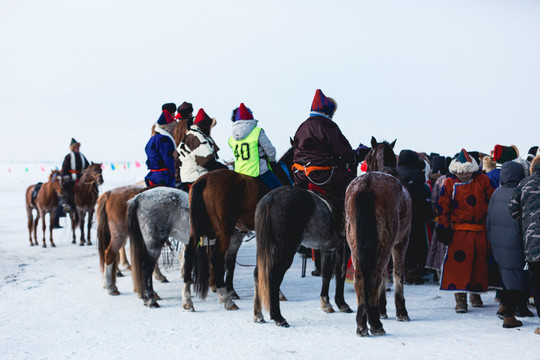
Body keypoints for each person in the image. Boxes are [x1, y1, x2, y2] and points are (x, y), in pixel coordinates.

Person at [292, 89, 355, 279]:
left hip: (300, 175)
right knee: (347, 190)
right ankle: (343, 227)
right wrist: (351, 160)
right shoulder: (328, 126)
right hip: (322, 175)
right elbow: (345, 151)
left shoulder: (301, 126)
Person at [437, 148, 496, 313]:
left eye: (466, 171)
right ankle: (460, 299)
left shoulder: (483, 180)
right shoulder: (449, 183)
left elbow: (492, 202)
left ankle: (475, 294)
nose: (463, 174)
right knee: (458, 266)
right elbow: (443, 207)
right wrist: (443, 227)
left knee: (479, 264)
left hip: (480, 230)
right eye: (460, 171)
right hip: (458, 232)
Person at [487, 161, 531, 328]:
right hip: (516, 242)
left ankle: (505, 307)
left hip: (498, 243)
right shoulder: (520, 193)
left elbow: (489, 219)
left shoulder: (497, 192)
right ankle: (508, 314)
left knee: (509, 277)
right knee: (519, 280)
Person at [510, 155, 540, 335]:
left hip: (533, 244)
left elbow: (513, 210)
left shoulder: (524, 184)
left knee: (538, 283)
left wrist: (527, 218)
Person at [398, 150, 433, 284]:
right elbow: (423, 198)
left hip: (398, 218)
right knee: (416, 244)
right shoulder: (418, 176)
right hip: (416, 217)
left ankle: (401, 270)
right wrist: (427, 215)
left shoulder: (394, 176)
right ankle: (414, 271)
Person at [228, 103, 281, 190]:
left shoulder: (231, 138)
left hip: (240, 172)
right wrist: (272, 161)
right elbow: (270, 151)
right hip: (260, 171)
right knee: (281, 191)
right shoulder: (257, 131)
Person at [177, 108, 227, 190]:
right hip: (197, 179)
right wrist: (225, 169)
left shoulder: (190, 135)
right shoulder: (198, 137)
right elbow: (207, 162)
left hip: (187, 178)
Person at [53, 138, 91, 228]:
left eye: (78, 147)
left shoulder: (82, 156)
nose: (78, 149)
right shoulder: (69, 157)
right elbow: (65, 168)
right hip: (71, 179)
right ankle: (67, 205)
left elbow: (87, 166)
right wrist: (67, 176)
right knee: (68, 192)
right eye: (76, 147)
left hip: (81, 179)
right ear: (73, 148)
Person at [144, 103, 178, 187]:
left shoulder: (153, 137)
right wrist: (175, 173)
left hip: (153, 174)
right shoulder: (164, 139)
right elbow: (168, 158)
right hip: (163, 176)